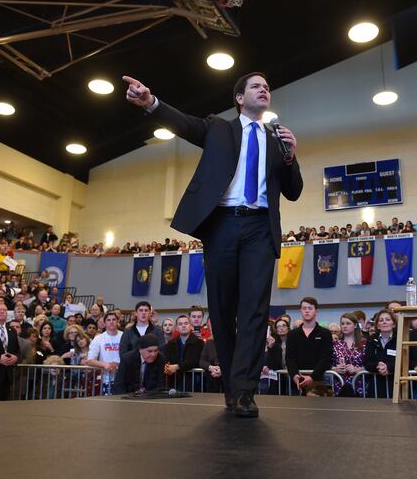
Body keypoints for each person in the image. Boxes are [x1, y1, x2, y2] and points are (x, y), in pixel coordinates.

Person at [124, 71, 302, 418]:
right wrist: (150, 102)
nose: (264, 89)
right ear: (239, 98)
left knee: (254, 312)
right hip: (222, 224)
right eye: (256, 86)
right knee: (222, 310)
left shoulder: (277, 137)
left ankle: (246, 391)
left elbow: (293, 191)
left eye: (267, 87)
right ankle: (233, 390)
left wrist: (292, 156)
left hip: (260, 228)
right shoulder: (219, 128)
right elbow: (185, 124)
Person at [286, 297, 333, 397]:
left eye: (310, 308)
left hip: (318, 380)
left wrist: (312, 377)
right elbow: (290, 357)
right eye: (304, 308)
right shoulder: (292, 334)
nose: (307, 311)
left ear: (316, 311)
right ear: (300, 311)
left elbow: (326, 358)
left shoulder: (325, 333)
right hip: (297, 381)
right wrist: (294, 374)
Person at [363, 309, 399, 398]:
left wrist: (388, 367)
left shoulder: (400, 338)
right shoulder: (371, 340)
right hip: (375, 385)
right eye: (381, 320)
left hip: (396, 385)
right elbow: (367, 362)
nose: (384, 322)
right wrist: (378, 365)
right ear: (377, 325)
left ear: (393, 324)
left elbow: (404, 361)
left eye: (387, 319)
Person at [86, 311, 123, 395]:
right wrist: (105, 365)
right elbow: (90, 360)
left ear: (117, 322)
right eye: (108, 320)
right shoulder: (98, 338)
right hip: (106, 380)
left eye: (114, 319)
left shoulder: (124, 336)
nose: (111, 322)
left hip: (123, 378)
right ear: (105, 323)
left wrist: (119, 364)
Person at [163, 315, 204, 391]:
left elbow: (195, 360)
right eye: (180, 324)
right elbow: (167, 359)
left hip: (192, 381)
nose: (183, 326)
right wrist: (167, 366)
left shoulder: (199, 343)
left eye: (186, 323)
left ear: (190, 326)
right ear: (177, 328)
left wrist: (177, 367)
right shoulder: (170, 343)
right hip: (175, 381)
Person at [331, 312, 366, 396]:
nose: (344, 326)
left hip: (360, 384)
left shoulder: (364, 343)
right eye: (342, 323)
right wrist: (335, 369)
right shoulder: (335, 343)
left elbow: (369, 364)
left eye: (348, 323)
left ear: (355, 325)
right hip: (339, 384)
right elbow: (328, 363)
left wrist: (357, 369)